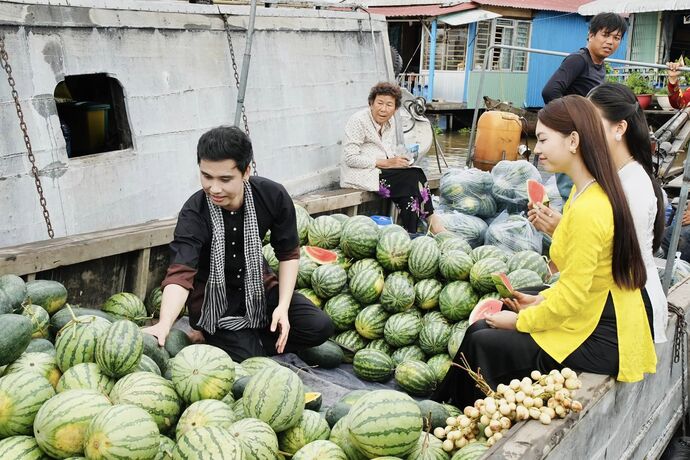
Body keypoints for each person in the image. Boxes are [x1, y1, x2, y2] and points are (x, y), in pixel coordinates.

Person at [432, 95, 656, 408]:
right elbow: (583, 283)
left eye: (542, 139)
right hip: (594, 313)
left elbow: (577, 295)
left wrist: (522, 322)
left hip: (603, 333)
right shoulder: (584, 191)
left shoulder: (590, 207)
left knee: (484, 340)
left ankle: (462, 417)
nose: (536, 150)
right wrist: (539, 300)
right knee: (484, 329)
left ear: (573, 141)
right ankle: (453, 409)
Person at [143, 126, 334, 362]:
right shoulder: (194, 212)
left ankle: (253, 337)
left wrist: (283, 306)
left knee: (319, 326)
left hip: (260, 290)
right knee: (250, 359)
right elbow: (180, 274)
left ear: (246, 171)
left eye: (225, 179)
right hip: (214, 303)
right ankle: (230, 337)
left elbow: (288, 254)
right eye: (206, 176)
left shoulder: (272, 196)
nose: (214, 188)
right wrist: (164, 324)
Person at [529, 82, 668, 343]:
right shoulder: (600, 179)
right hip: (600, 294)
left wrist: (563, 230)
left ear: (620, 128)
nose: (583, 131)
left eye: (592, 122)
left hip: (630, 304)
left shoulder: (633, 186)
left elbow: (619, 259)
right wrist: (562, 228)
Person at [542, 13, 628, 202]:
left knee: (581, 188)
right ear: (591, 35)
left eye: (616, 38)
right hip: (570, 137)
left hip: (584, 136)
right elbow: (550, 91)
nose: (610, 42)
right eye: (605, 35)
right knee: (570, 191)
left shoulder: (599, 65)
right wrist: (568, 124)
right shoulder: (579, 60)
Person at [340, 81, 446, 234]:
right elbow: (350, 158)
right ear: (371, 103)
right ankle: (432, 220)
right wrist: (386, 162)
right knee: (414, 175)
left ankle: (410, 234)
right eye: (380, 103)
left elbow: (386, 151)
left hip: (381, 172)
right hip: (360, 174)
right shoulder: (358, 121)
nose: (383, 109)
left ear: (395, 108)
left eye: (389, 105)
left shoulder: (390, 122)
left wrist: (398, 160)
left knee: (410, 194)